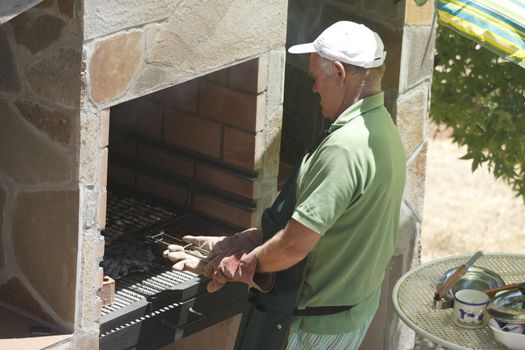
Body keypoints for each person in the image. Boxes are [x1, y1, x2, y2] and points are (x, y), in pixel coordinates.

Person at [163, 21, 406, 350]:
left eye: (316, 78)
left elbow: (294, 247)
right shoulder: (381, 127)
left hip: (312, 327)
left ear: (338, 72)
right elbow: (328, 223)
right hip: (347, 313)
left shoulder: (345, 148)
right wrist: (250, 238)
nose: (314, 88)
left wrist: (236, 265)